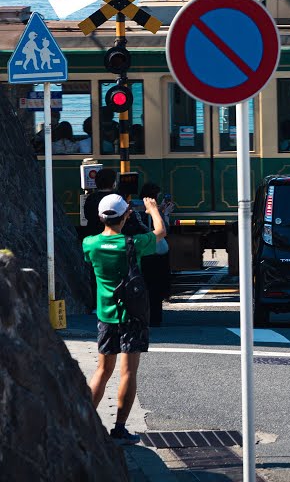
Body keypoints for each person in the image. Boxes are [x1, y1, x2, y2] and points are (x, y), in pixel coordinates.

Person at [83, 193, 167, 444]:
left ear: (100, 217)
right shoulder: (133, 243)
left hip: (106, 315)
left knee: (103, 369)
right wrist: (152, 210)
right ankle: (119, 428)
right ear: (126, 215)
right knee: (128, 372)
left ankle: (83, 420)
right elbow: (160, 233)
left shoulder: (90, 244)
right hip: (132, 315)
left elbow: (91, 256)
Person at [134, 183, 173, 326]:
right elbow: (162, 230)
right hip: (155, 252)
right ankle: (155, 318)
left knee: (146, 286)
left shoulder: (135, 210)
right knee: (156, 288)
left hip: (145, 254)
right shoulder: (148, 213)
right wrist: (164, 213)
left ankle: (147, 316)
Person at [81, 168, 118, 239]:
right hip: (113, 235)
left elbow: (87, 215)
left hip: (94, 234)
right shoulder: (117, 198)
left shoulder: (91, 198)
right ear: (114, 183)